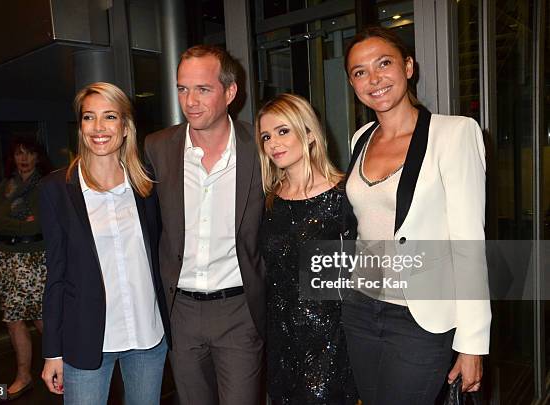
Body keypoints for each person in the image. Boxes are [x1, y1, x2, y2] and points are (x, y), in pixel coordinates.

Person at [340, 26, 491, 405]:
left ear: (408, 67)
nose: (373, 79)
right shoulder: (361, 139)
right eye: (360, 72)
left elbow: (469, 242)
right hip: (361, 307)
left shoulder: (454, 133)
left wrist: (472, 343)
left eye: (384, 63)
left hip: (419, 318)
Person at [144, 45, 265, 405]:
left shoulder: (259, 146)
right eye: (183, 89)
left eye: (203, 89)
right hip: (180, 310)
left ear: (230, 92)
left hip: (239, 309)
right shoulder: (157, 147)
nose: (190, 101)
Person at [39, 82, 170, 405]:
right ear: (80, 126)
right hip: (86, 340)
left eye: (109, 117)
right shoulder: (56, 188)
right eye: (89, 117)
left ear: (125, 127)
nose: (98, 128)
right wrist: (52, 351)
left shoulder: (146, 183)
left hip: (147, 335)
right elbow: (55, 274)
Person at [256, 93, 358, 405]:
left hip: (330, 342)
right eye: (266, 136)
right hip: (281, 341)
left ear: (310, 134)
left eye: (283, 131)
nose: (273, 143)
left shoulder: (345, 194)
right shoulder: (270, 200)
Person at [0, 137, 50, 400]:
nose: (23, 159)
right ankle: (23, 376)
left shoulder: (44, 185)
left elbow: (35, 227)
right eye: (19, 153)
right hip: (7, 260)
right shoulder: (6, 185)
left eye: (29, 153)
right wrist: (12, 222)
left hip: (35, 259)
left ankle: (64, 367)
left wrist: (7, 221)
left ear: (37, 157)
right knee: (13, 321)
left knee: (42, 319)